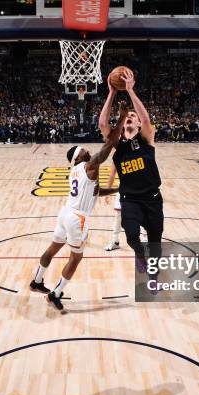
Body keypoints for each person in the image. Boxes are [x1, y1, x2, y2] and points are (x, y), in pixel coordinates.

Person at [29, 103, 127, 311]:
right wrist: (122, 118)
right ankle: (56, 294)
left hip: (65, 213)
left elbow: (96, 192)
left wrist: (117, 190)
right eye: (84, 151)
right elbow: (109, 144)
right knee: (76, 258)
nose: (88, 151)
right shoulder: (89, 166)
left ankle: (36, 281)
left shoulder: (76, 171)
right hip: (77, 218)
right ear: (79, 158)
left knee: (53, 247)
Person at [99, 69, 163, 271]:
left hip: (152, 198)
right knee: (132, 235)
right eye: (128, 115)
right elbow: (102, 124)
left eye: (133, 116)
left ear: (137, 123)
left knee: (155, 242)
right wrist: (111, 93)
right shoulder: (119, 144)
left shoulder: (146, 139)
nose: (130, 117)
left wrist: (130, 91)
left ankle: (153, 274)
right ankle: (139, 253)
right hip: (130, 199)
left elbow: (146, 120)